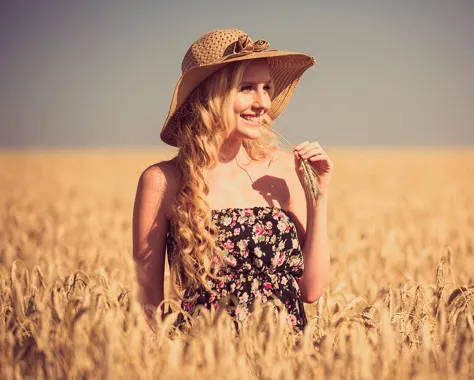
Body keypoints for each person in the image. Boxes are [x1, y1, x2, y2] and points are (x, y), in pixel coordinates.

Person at [132, 29, 333, 333]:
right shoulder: (162, 181)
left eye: (267, 87)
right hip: (202, 359)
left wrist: (319, 195)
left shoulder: (283, 168)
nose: (263, 102)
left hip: (284, 358)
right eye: (247, 88)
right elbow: (147, 306)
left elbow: (311, 291)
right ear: (211, 95)